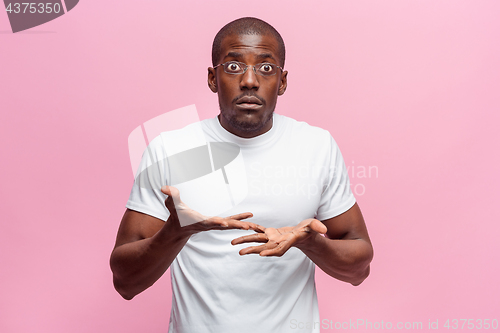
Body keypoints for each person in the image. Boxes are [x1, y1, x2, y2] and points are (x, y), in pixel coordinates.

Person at [110, 17, 373, 333]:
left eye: (266, 68)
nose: (250, 80)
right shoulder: (171, 150)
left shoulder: (316, 146)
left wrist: (311, 244)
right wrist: (174, 233)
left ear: (283, 81)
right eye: (234, 67)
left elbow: (359, 268)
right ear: (212, 78)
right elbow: (125, 282)